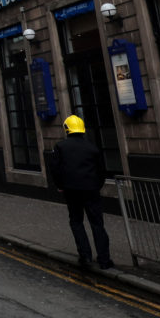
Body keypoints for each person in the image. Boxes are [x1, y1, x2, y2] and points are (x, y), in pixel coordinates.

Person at [50, 114, 114, 270]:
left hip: (71, 190)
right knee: (97, 223)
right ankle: (104, 260)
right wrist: (96, 185)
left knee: (76, 221)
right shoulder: (92, 148)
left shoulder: (60, 146)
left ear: (67, 129)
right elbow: (101, 171)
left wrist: (60, 185)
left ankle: (85, 256)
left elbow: (55, 169)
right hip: (91, 190)